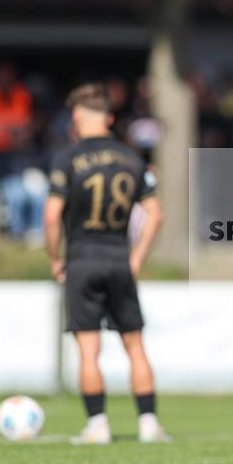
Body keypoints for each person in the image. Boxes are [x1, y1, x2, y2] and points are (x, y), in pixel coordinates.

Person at [44, 83, 168, 445]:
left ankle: (97, 425)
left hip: (81, 259)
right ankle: (148, 424)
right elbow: (155, 214)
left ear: (77, 116)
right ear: (110, 118)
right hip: (119, 260)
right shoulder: (133, 159)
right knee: (135, 345)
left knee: (88, 348)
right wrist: (136, 258)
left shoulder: (67, 159)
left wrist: (55, 258)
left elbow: (52, 216)